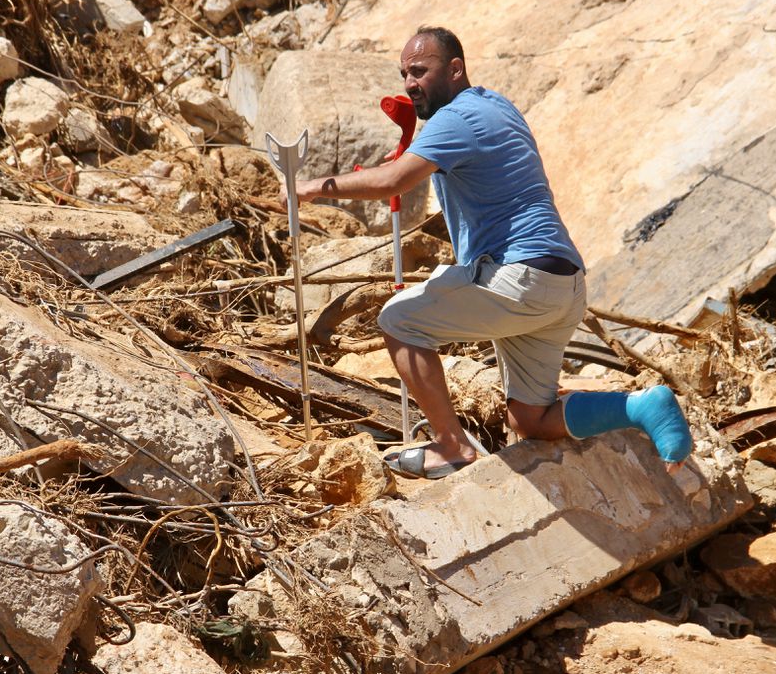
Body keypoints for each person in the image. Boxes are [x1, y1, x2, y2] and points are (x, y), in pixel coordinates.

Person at [289, 26, 692, 478]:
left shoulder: (455, 119)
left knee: (399, 322)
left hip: (519, 277)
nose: (408, 83)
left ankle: (451, 446)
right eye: (404, 73)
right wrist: (410, 152)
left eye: (420, 71)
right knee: (530, 419)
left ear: (455, 68)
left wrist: (309, 188)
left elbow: (392, 183)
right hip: (563, 284)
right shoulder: (496, 105)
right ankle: (643, 408)